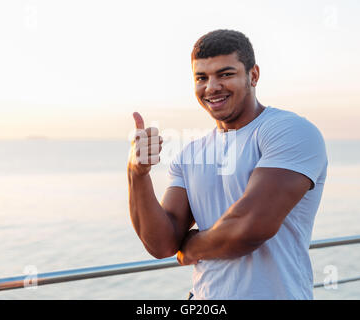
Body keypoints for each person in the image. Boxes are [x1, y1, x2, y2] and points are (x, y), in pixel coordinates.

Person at [127, 29, 328, 299]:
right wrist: (137, 173)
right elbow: (162, 244)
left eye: (225, 74)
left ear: (253, 75)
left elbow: (249, 228)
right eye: (201, 78)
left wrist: (189, 248)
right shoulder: (191, 153)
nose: (211, 87)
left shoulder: (289, 131)